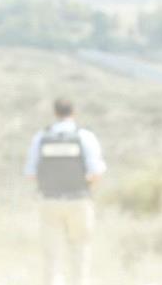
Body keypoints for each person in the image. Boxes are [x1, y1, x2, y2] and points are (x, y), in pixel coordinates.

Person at [24, 98, 107, 285]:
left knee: (51, 256)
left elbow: (30, 174)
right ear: (74, 112)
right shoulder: (85, 137)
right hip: (79, 200)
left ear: (55, 113)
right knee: (80, 251)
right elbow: (96, 172)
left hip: (49, 201)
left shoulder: (41, 138)